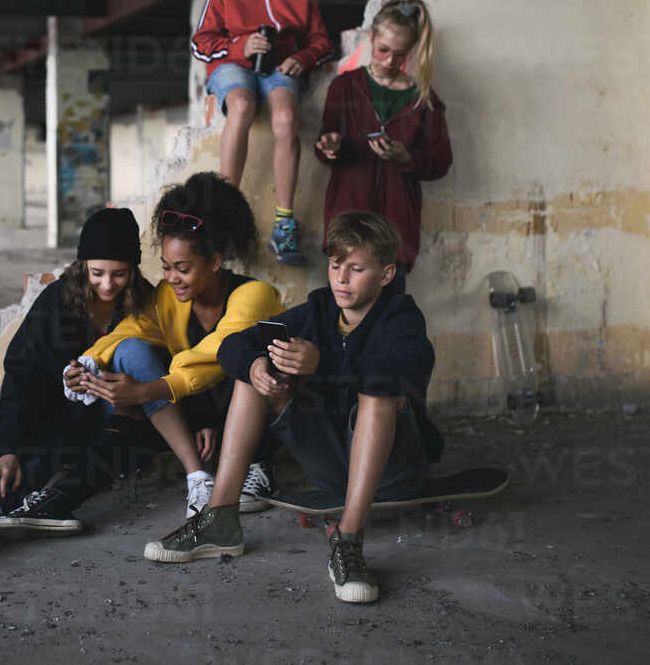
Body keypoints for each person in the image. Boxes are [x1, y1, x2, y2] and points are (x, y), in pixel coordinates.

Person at [142, 211, 444, 606]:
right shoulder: (318, 311)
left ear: (386, 275)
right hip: (333, 470)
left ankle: (348, 540)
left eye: (356, 269)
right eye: (336, 266)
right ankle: (220, 519)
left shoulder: (401, 317)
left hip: (392, 471)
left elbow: (411, 373)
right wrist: (254, 366)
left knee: (379, 388)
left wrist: (324, 363)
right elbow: (233, 345)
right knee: (256, 371)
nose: (341, 279)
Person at [0, 207, 156, 558]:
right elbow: (23, 376)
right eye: (97, 273)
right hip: (67, 417)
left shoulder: (149, 302)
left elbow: (171, 362)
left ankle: (42, 504)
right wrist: (8, 449)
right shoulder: (57, 302)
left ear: (133, 269)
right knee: (34, 451)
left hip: (133, 413)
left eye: (119, 274)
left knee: (119, 423)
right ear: (82, 265)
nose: (107, 284)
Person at [73, 172, 283, 519]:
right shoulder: (168, 299)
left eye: (183, 268)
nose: (171, 278)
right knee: (131, 350)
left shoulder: (254, 295)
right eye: (167, 267)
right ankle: (199, 470)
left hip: (260, 416)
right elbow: (130, 329)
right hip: (205, 413)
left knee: (249, 362)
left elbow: (217, 353)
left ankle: (259, 465)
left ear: (214, 262)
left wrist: (143, 392)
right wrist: (87, 364)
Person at [191, 0, 334, 267]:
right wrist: (240, 46)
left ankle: (284, 224)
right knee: (241, 105)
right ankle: (226, 213)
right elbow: (200, 43)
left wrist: (303, 58)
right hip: (231, 65)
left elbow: (321, 41)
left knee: (286, 119)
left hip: (281, 67)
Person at [314, 0, 452, 273]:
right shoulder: (344, 87)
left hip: (396, 228)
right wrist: (330, 147)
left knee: (391, 309)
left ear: (412, 50)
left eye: (400, 54)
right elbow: (324, 147)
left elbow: (440, 161)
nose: (390, 61)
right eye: (383, 50)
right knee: (344, 308)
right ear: (371, 39)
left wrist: (406, 157)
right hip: (347, 220)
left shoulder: (423, 100)